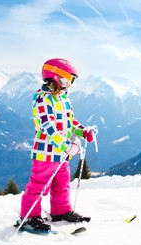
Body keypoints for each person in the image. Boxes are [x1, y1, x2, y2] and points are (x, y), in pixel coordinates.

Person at [18, 58, 95, 231]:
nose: (69, 85)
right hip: (46, 153)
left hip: (61, 155)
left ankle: (61, 211)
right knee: (38, 185)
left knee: (62, 184)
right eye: (67, 80)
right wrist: (66, 146)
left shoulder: (63, 99)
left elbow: (71, 122)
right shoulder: (42, 99)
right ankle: (29, 216)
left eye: (72, 81)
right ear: (55, 77)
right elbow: (47, 127)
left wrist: (83, 131)